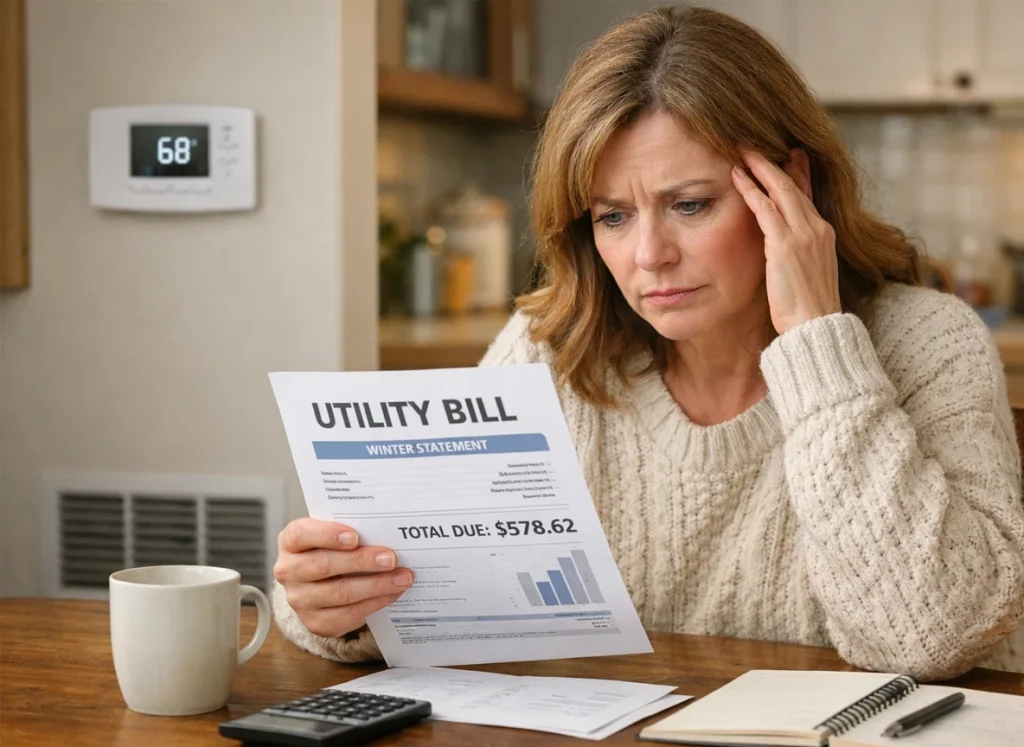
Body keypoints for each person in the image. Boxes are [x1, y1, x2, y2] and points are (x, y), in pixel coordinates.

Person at [271, 6, 1024, 680]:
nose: (648, 256)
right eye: (612, 217)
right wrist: (340, 605)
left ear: (790, 183)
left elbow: (929, 636)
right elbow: (424, 587)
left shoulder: (928, 343)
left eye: (690, 205)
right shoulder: (551, 349)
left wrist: (818, 341)